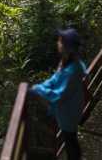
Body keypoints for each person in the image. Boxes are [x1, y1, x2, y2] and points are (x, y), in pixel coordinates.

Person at [30, 28, 87, 160]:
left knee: (70, 140)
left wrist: (38, 89)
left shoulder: (72, 70)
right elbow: (55, 79)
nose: (58, 43)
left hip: (69, 111)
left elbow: (58, 95)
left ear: (67, 47)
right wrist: (41, 86)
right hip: (70, 107)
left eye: (60, 41)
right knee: (70, 138)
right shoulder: (68, 62)